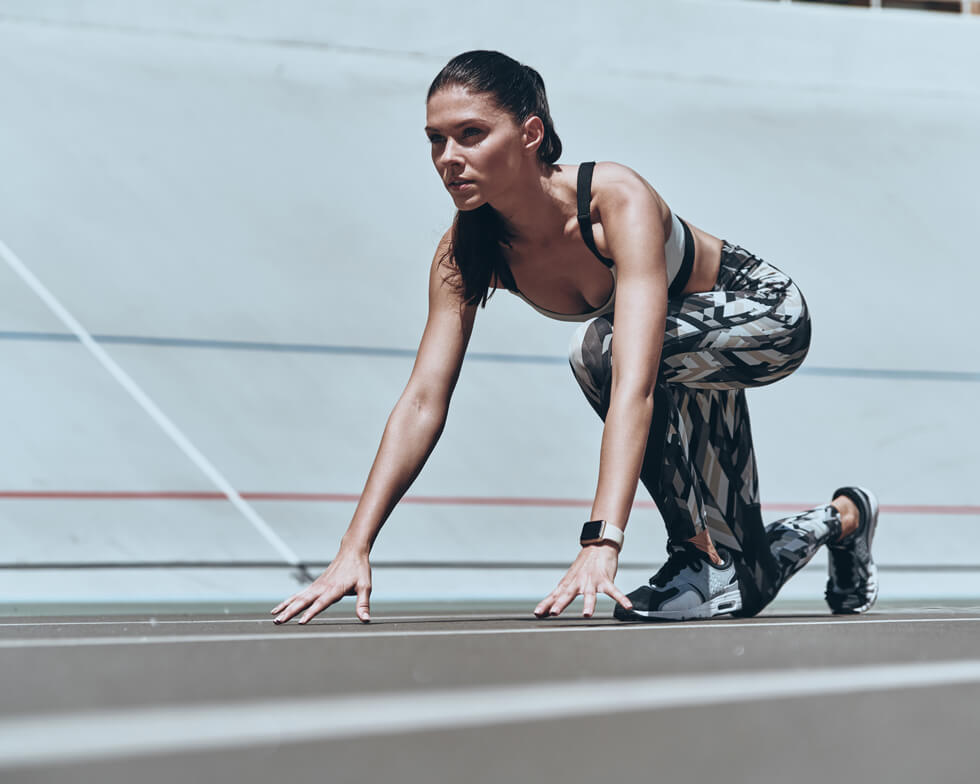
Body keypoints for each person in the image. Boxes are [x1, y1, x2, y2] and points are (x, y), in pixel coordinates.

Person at [271, 50, 878, 626]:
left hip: (764, 317)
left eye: (471, 134)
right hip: (680, 357)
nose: (447, 157)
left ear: (530, 134)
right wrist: (355, 546)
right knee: (742, 579)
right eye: (435, 139)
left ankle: (691, 550)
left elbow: (632, 381)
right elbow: (424, 399)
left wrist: (602, 539)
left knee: (599, 352)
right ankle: (845, 518)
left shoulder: (615, 199)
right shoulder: (466, 252)